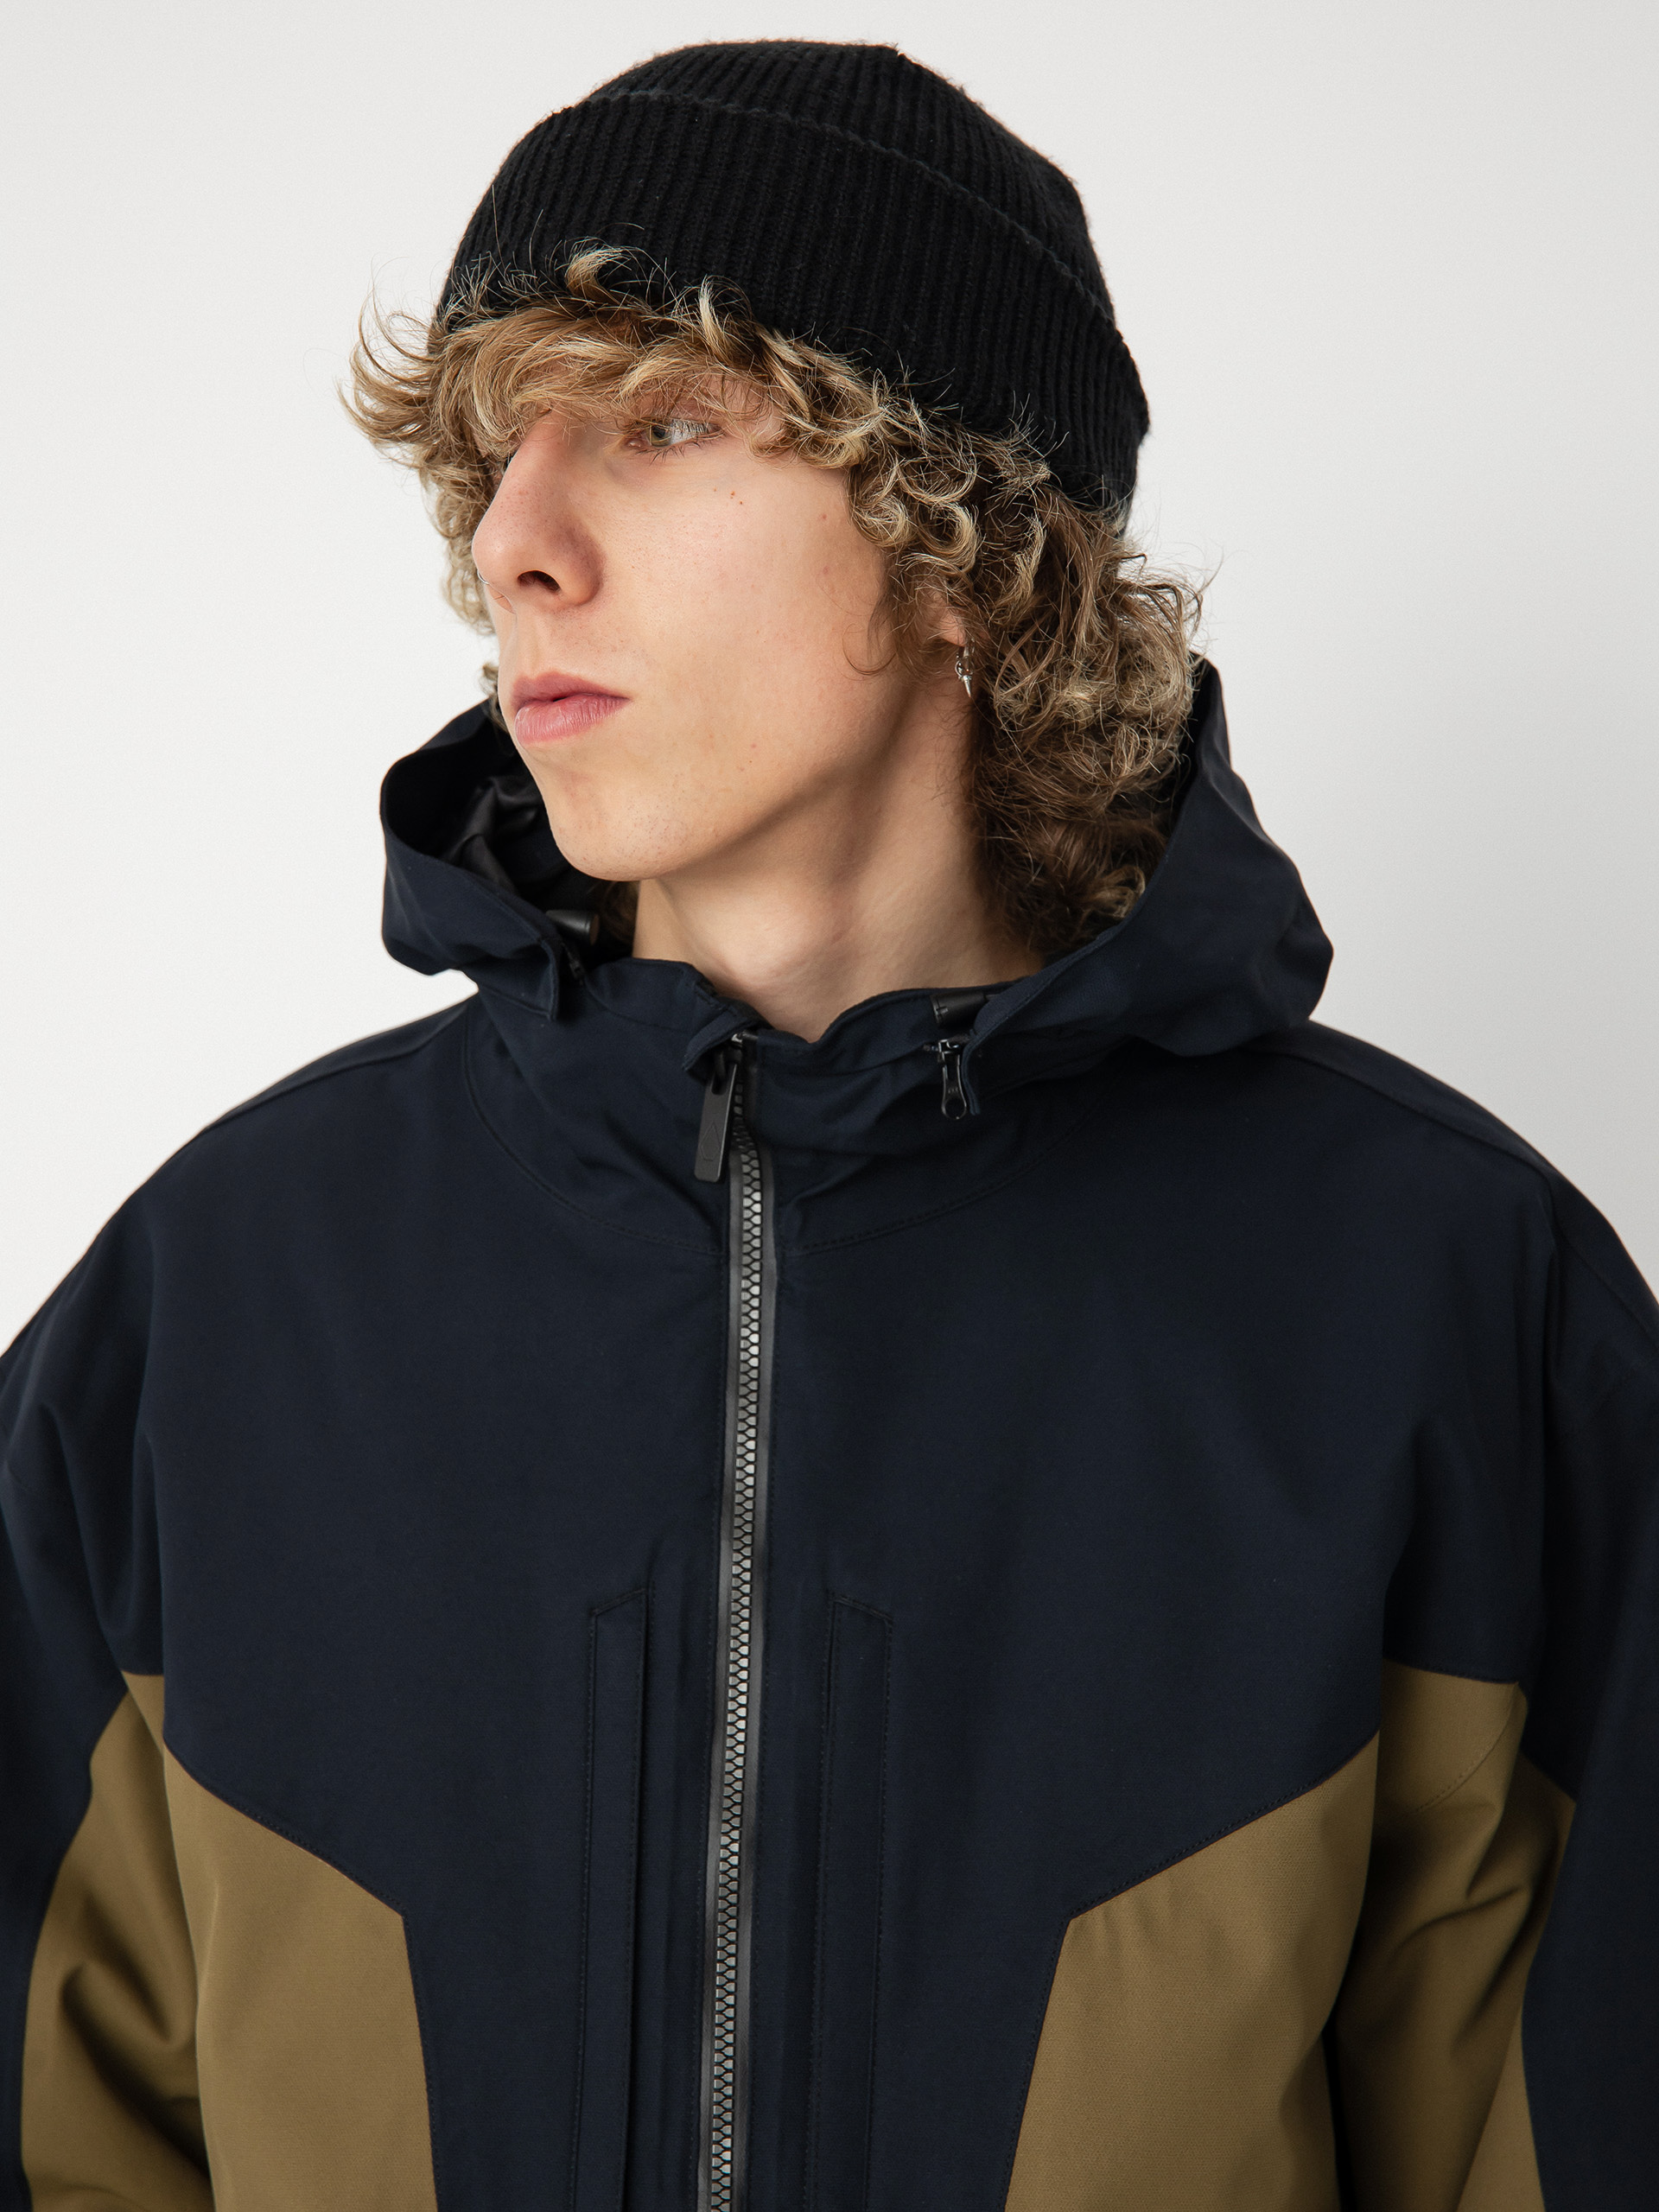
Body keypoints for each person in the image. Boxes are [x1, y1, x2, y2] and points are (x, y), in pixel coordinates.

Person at [3, 36, 1655, 2212]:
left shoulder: (1444, 1307)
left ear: (965, 547)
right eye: (498, 452)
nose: (515, 541)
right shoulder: (212, 1310)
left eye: (662, 423)